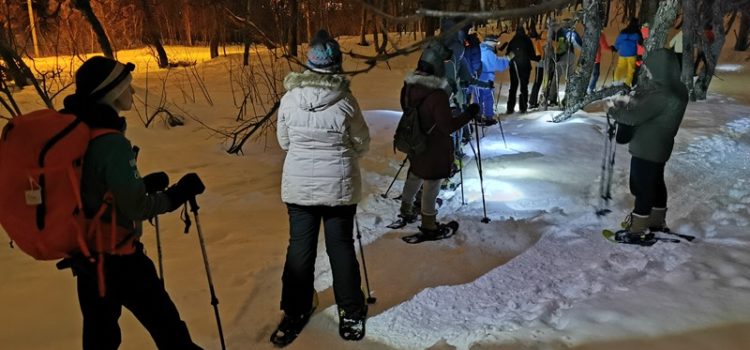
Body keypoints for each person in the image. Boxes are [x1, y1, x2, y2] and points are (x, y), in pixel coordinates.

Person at [60, 56, 205, 349]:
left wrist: (139, 185)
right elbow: (137, 207)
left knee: (99, 342)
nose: (133, 93)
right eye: (127, 87)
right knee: (171, 333)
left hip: (88, 261)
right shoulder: (111, 143)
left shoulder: (77, 132)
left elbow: (93, 188)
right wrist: (175, 196)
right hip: (121, 260)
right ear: (110, 94)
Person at [273, 29, 370, 346]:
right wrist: (341, 155)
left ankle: (295, 310)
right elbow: (361, 143)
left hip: (299, 187)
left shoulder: (289, 99)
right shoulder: (345, 101)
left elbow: (285, 142)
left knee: (299, 249)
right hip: (338, 189)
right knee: (340, 247)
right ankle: (352, 312)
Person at [396, 44, 482, 239]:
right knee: (432, 182)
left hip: (415, 139)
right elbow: (447, 127)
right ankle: (429, 224)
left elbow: (408, 110)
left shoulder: (408, 86)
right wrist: (469, 113)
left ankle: (406, 209)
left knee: (415, 174)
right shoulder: (437, 95)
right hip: (433, 145)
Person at [605, 49, 688, 244]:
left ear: (661, 68)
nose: (647, 72)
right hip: (660, 146)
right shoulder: (676, 89)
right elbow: (648, 107)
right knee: (656, 183)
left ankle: (637, 229)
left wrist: (612, 109)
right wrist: (632, 99)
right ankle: (656, 222)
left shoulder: (663, 94)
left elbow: (633, 117)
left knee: (642, 187)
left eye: (650, 69)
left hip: (647, 147)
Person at [476, 34, 511, 125]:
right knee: (488, 97)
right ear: (491, 43)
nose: (496, 46)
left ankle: (477, 115)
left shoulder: (479, 49)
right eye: (495, 44)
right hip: (487, 79)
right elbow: (497, 65)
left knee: (478, 97)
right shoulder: (489, 53)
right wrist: (507, 59)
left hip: (477, 78)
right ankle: (488, 117)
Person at [505, 26, 536, 114]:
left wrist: (512, 59)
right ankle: (523, 107)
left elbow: (508, 54)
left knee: (513, 86)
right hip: (525, 67)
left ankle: (510, 107)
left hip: (514, 67)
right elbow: (532, 54)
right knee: (524, 87)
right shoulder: (527, 40)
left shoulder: (513, 41)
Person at [614, 17, 643, 87]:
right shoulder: (637, 33)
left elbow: (618, 42)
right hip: (632, 54)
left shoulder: (623, 32)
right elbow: (640, 43)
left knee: (620, 67)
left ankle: (616, 81)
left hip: (622, 53)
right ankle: (627, 85)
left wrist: (616, 48)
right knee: (630, 70)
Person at [529, 27, 546, 108]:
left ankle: (533, 101)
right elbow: (537, 53)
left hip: (542, 64)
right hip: (541, 64)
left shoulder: (539, 41)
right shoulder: (539, 42)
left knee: (538, 83)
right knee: (537, 83)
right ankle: (532, 101)